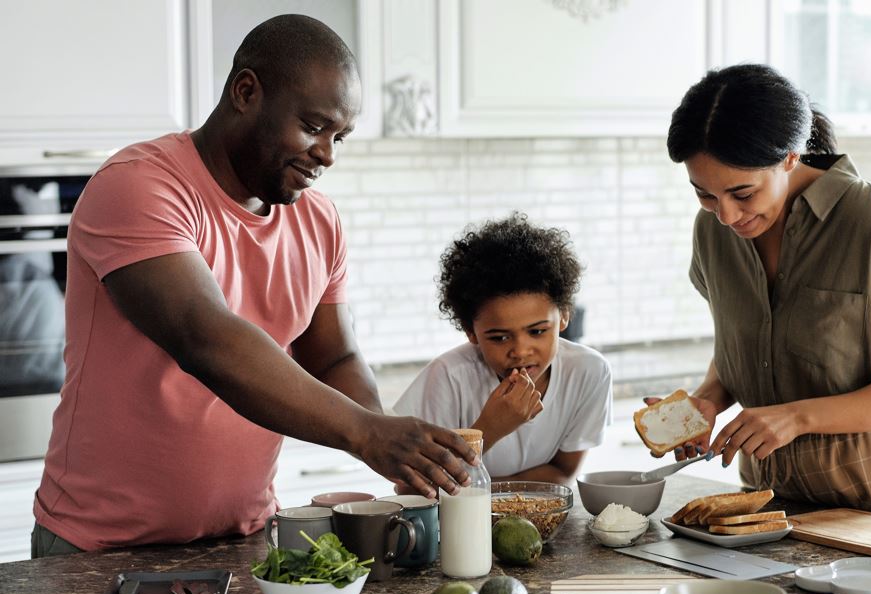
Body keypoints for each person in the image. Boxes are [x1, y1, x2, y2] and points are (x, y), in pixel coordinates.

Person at [31, 15, 475, 557]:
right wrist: (366, 433)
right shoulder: (138, 186)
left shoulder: (319, 220)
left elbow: (334, 357)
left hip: (245, 538)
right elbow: (207, 340)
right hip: (101, 547)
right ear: (246, 92)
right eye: (314, 126)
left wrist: (392, 446)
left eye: (340, 137)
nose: (328, 154)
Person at [659, 63, 871, 521]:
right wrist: (707, 402)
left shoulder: (870, 221)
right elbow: (746, 349)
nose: (727, 216)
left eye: (743, 193)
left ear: (791, 157)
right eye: (705, 195)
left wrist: (796, 418)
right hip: (766, 510)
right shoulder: (711, 233)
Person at [393, 213, 612, 484]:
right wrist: (489, 429)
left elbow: (562, 473)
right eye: (499, 338)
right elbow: (410, 488)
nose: (520, 351)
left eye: (537, 331)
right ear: (470, 331)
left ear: (565, 315)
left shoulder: (589, 372)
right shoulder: (448, 377)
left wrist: (484, 491)